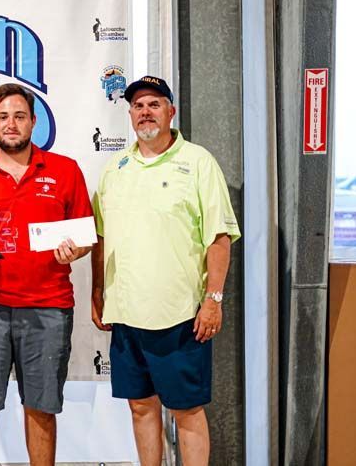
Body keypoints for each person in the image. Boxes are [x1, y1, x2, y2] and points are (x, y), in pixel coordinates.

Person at [0, 83, 93, 466]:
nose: (11, 124)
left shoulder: (65, 170)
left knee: (41, 408)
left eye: (20, 116)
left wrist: (76, 248)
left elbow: (86, 235)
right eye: (3, 117)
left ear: (33, 122)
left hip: (48, 305)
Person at [91, 75, 240, 466]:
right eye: (138, 106)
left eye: (154, 103)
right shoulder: (115, 168)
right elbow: (100, 237)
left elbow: (219, 238)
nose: (145, 112)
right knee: (141, 407)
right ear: (130, 115)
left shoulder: (198, 162)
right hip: (125, 314)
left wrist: (214, 300)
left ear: (171, 111)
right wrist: (97, 294)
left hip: (179, 316)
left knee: (186, 411)